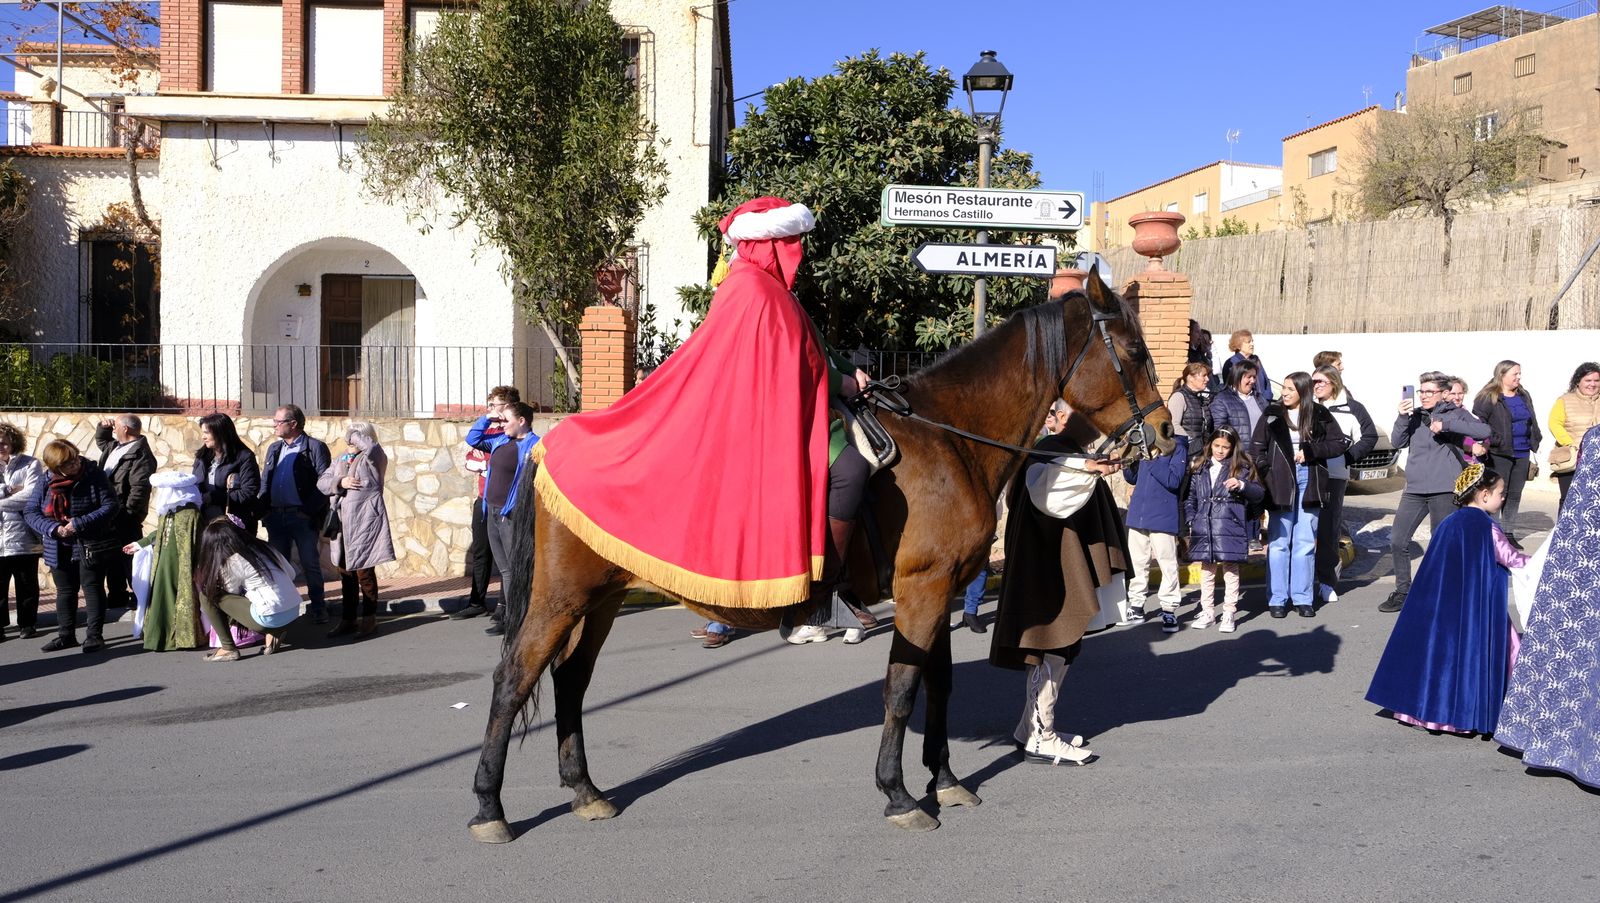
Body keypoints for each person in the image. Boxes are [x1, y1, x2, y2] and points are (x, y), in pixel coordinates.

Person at [531, 197, 871, 619]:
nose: (797, 254)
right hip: (769, 421)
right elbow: (798, 371)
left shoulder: (756, 287)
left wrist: (846, 373)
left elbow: (812, 349)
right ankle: (826, 585)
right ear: (770, 244)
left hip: (773, 410)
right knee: (851, 471)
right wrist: (844, 382)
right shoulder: (759, 291)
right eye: (791, 243)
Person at [991, 412, 1128, 767]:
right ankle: (1042, 735)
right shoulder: (1051, 450)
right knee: (1052, 645)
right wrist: (1085, 469)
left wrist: (1088, 466)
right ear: (1057, 420)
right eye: (1076, 414)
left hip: (1060, 566)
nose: (1092, 422)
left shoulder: (1067, 450)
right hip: (1049, 570)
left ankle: (1029, 728)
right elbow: (1046, 495)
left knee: (1063, 647)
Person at [1366, 465, 1527, 735]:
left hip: (1442, 609)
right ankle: (1483, 711)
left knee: (1439, 658)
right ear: (1484, 495)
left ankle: (1425, 712)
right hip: (1473, 611)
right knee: (1490, 652)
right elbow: (1513, 559)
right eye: (1501, 493)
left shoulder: (1448, 523)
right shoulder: (1487, 527)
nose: (1503, 499)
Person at [1497, 425, 1600, 788]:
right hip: (1581, 553)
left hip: (1575, 552)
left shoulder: (1595, 437)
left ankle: (1552, 742)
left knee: (1569, 652)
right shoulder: (1596, 437)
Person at [1381, 372, 1491, 613]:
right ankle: (1402, 591)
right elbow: (1398, 441)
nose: (1424, 396)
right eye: (1421, 391)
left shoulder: (1457, 414)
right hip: (1414, 489)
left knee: (1440, 543)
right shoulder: (1416, 416)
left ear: (1444, 393)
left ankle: (1438, 591)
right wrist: (1402, 416)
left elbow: (1484, 431)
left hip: (1444, 489)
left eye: (1429, 392)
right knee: (1397, 540)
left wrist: (1447, 425)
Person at [1250, 372, 1348, 618]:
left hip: (1311, 480)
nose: (1284, 393)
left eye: (1290, 389)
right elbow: (1256, 447)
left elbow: (1339, 443)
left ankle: (1303, 598)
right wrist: (1268, 471)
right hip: (1279, 482)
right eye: (1283, 388)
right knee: (1279, 542)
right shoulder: (1272, 413)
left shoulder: (1320, 414)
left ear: (1303, 392)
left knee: (1305, 542)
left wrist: (1311, 451)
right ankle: (1277, 599)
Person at [24, 440, 118, 653]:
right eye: (68, 464)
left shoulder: (94, 475)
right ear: (55, 467)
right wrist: (54, 528)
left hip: (90, 542)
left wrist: (78, 523)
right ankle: (66, 635)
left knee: (92, 587)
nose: (75, 464)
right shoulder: (45, 480)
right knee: (65, 590)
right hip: (58, 544)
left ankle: (94, 636)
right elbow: (31, 511)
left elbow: (110, 506)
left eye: (75, 459)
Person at [465, 401, 540, 638]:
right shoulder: (500, 440)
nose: (502, 424)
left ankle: (515, 619)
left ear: (522, 421)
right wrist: (489, 417)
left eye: (507, 420)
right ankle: (511, 617)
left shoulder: (535, 445)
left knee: (515, 569)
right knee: (506, 570)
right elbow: (473, 439)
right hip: (493, 512)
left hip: (513, 514)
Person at [317, 422, 395, 639]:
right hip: (342, 525)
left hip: (365, 523)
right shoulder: (341, 459)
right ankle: (348, 619)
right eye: (348, 436)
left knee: (365, 573)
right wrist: (340, 481)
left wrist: (355, 434)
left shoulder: (374, 459)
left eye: (354, 437)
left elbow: (372, 448)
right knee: (346, 574)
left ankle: (369, 620)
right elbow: (322, 482)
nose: (349, 441)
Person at [1183, 427, 1264, 633]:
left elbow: (1258, 493)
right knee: (1207, 570)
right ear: (1210, 445)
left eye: (1225, 447)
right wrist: (1192, 519)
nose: (1220, 451)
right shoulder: (1200, 466)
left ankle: (1229, 613)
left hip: (1230, 524)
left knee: (1231, 568)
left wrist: (1242, 485)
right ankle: (1208, 611)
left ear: (1232, 447)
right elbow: (1190, 497)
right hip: (1205, 525)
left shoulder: (1242, 467)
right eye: (1216, 446)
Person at [259, 403, 333, 624]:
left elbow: (325, 483)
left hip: (301, 517)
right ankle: (283, 612)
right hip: (276, 517)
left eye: (278, 422)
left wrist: (308, 512)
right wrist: (264, 512)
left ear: (293, 424)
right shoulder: (274, 449)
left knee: (310, 563)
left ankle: (319, 607)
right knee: (278, 566)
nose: (274, 425)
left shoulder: (314, 447)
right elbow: (266, 481)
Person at [192, 516, 303, 661]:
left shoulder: (234, 560)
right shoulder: (266, 547)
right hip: (294, 610)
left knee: (208, 595)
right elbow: (292, 574)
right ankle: (276, 631)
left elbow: (231, 592)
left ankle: (228, 648)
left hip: (269, 616)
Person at [452, 386, 520, 622]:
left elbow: (501, 463)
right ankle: (476, 602)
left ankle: (504, 605)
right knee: (481, 553)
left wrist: (486, 464)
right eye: (489, 404)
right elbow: (471, 455)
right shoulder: (490, 431)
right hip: (483, 500)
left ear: (507, 406)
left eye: (494, 405)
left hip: (505, 504)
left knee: (506, 559)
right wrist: (485, 420)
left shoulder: (513, 433)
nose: (490, 409)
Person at [1310, 365, 1377, 604]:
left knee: (1328, 530)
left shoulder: (1352, 407)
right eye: (1313, 381)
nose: (1315, 386)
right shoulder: (1306, 405)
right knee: (1304, 531)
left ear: (1334, 383)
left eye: (1320, 382)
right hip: (1305, 475)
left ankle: (1327, 582)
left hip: (1334, 477)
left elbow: (1369, 437)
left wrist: (1347, 458)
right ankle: (1302, 582)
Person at [125, 471, 205, 651]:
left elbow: (198, 541)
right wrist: (140, 543)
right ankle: (159, 637)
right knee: (160, 595)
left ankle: (179, 638)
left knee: (178, 596)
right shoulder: (167, 513)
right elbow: (159, 533)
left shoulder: (191, 514)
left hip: (181, 564)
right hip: (162, 562)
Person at [1124, 433, 1189, 632]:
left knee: (1167, 563)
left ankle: (1169, 610)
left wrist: (1152, 459)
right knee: (1137, 563)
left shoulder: (1177, 446)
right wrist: (1129, 456)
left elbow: (1173, 480)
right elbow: (1132, 478)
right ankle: (1136, 606)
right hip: (1138, 514)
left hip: (1162, 516)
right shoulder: (1146, 443)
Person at [1472, 360, 1541, 546]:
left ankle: (1508, 532)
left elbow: (1531, 418)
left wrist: (1536, 438)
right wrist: (1493, 439)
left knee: (1515, 493)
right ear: (1502, 375)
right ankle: (1492, 533)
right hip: (1499, 452)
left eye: (1519, 374)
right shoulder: (1489, 396)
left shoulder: (1523, 394)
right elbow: (1479, 422)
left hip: (1522, 450)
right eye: (1515, 374)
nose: (1518, 377)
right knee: (1496, 493)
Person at [93, 414, 156, 613]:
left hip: (124, 516)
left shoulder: (141, 455)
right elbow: (102, 440)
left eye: (116, 427)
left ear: (126, 429)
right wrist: (103, 427)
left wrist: (127, 515)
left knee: (130, 559)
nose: (114, 430)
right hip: (108, 513)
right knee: (113, 558)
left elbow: (139, 490)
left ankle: (140, 598)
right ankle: (117, 596)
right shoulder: (115, 447)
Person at [0, 422, 45, 641]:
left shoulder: (30, 465)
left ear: (13, 442)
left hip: (24, 536)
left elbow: (31, 496)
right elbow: (19, 494)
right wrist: (7, 490)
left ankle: (28, 624)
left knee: (27, 583)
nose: (1, 446)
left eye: (4, 442)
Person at [192, 412, 261, 535]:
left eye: (207, 433)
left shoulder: (243, 457)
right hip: (206, 525)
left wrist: (214, 497)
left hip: (234, 526)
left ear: (220, 433)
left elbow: (248, 492)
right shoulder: (202, 457)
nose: (203, 437)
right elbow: (195, 484)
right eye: (203, 433)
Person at [1547, 362, 1600, 509]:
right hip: (1572, 457)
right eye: (1588, 381)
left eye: (1596, 380)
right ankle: (1564, 530)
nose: (1593, 384)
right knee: (1569, 498)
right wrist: (1572, 445)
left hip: (1597, 460)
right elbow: (1554, 423)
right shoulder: (1564, 400)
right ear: (1578, 381)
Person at [1209, 358, 1263, 441]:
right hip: (1237, 452)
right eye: (1249, 377)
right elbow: (1219, 432)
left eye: (1254, 377)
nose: (1252, 381)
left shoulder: (1260, 399)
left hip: (1259, 452)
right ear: (1237, 377)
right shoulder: (1222, 400)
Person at [1220, 329, 1270, 409]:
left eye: (1252, 341)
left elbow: (1266, 381)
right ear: (1238, 345)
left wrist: (1267, 398)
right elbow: (1230, 388)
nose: (1252, 344)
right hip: (1243, 406)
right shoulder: (1231, 362)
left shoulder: (1255, 360)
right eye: (1248, 342)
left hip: (1263, 403)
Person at [1166, 362, 1213, 443]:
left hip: (1201, 450)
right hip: (1185, 449)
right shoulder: (1179, 397)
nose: (1207, 379)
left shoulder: (1200, 399)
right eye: (1204, 376)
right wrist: (1192, 442)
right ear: (1191, 378)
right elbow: (1174, 425)